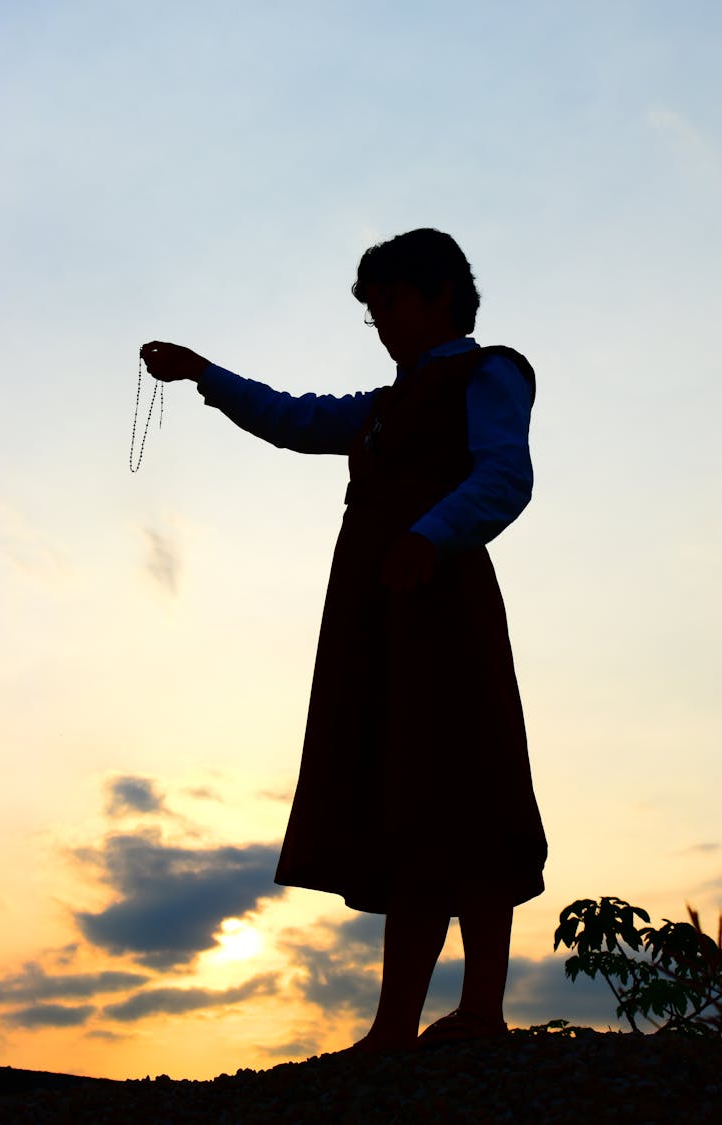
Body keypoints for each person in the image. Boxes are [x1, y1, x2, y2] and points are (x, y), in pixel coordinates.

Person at [140, 227, 548, 1055]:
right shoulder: (381, 407)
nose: (383, 321)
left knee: (468, 785)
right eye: (372, 312)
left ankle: (480, 1012)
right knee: (404, 798)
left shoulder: (488, 371)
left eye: (391, 301)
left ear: (440, 294)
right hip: (382, 618)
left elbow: (506, 473)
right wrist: (205, 375)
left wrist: (429, 536)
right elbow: (294, 418)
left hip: (445, 607)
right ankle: (397, 1023)